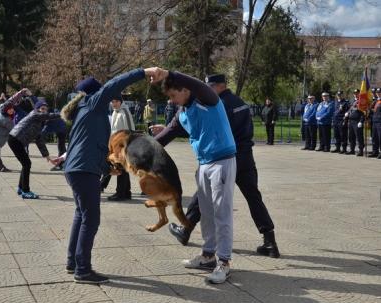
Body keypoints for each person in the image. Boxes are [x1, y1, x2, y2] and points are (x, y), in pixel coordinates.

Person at [152, 73, 280, 260]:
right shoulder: (239, 102)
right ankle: (270, 241)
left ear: (217, 86)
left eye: (208, 86)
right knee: (253, 197)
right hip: (245, 157)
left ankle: (190, 233)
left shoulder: (216, 103)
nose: (205, 90)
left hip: (223, 157)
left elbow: (208, 129)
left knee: (206, 199)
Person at [52, 68, 152, 284]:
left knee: (81, 214)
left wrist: (107, 169)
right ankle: (83, 270)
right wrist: (143, 72)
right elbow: (114, 85)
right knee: (91, 219)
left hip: (78, 169)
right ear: (97, 93)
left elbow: (92, 146)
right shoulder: (93, 104)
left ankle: (73, 262)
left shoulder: (84, 110)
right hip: (82, 170)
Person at [148, 68, 236, 284]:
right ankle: (208, 256)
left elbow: (199, 84)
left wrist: (168, 73)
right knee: (206, 212)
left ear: (185, 89)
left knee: (221, 213)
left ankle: (224, 262)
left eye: (173, 95)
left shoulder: (208, 99)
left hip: (222, 161)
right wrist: (139, 151)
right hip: (204, 163)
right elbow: (165, 135)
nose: (172, 101)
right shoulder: (183, 113)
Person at [8, 100, 60, 199]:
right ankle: (25, 191)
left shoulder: (39, 123)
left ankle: (21, 188)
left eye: (46, 109)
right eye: (42, 109)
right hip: (15, 139)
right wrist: (63, 113)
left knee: (26, 164)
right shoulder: (34, 114)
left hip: (16, 140)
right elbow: (48, 116)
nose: (44, 111)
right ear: (37, 109)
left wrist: (47, 156)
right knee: (27, 164)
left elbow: (39, 141)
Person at [0, 89, 30, 171]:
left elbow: (13, 98)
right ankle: (0, 167)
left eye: (12, 108)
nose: (12, 110)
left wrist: (22, 92)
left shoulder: (4, 106)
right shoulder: (5, 119)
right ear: (6, 110)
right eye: (10, 110)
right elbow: (14, 130)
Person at [101, 94, 136, 201]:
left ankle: (120, 193)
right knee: (123, 169)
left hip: (123, 146)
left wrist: (128, 147)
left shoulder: (124, 112)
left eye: (116, 101)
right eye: (112, 102)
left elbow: (130, 129)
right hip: (115, 145)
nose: (114, 104)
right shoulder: (116, 112)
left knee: (120, 168)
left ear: (121, 102)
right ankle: (126, 192)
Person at [345, 89, 365, 156]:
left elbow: (363, 113)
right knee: (351, 136)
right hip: (351, 121)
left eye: (357, 93)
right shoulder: (352, 100)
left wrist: (361, 121)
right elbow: (350, 109)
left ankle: (361, 150)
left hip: (357, 121)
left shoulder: (361, 101)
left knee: (359, 136)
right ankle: (352, 149)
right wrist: (347, 113)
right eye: (354, 93)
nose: (355, 94)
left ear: (359, 93)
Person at [369, 88, 381, 159]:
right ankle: (375, 151)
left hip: (380, 121)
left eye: (379, 92)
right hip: (374, 121)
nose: (378, 93)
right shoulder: (376, 101)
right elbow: (373, 109)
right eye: (377, 92)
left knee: (380, 137)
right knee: (374, 137)